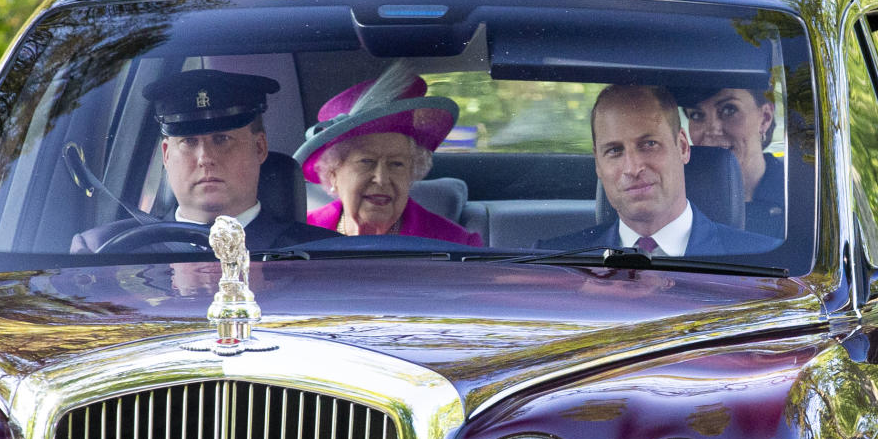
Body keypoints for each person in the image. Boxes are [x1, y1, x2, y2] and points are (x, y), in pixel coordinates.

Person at [71, 69, 338, 252]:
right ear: (166, 154)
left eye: (222, 139)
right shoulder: (103, 250)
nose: (205, 158)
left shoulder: (324, 255)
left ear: (259, 147)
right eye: (188, 142)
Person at [537, 85, 776, 256]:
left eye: (649, 144)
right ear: (598, 165)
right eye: (614, 151)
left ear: (682, 147)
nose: (632, 168)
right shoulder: (553, 260)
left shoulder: (765, 258)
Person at [297, 64, 482, 247]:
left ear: (411, 173)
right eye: (367, 161)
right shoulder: (298, 235)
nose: (382, 179)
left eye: (397, 164)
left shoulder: (456, 244)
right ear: (333, 173)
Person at [681, 85, 784, 238]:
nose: (712, 130)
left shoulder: (802, 197)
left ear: (765, 118)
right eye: (696, 115)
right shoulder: (676, 196)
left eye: (729, 110)